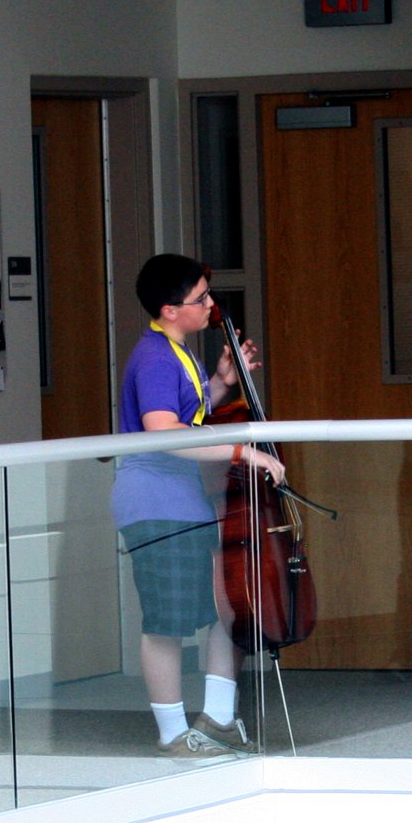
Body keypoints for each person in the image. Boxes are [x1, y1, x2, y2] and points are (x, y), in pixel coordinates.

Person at [113, 254, 285, 758]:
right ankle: (172, 733)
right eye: (201, 298)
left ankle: (219, 719)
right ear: (170, 309)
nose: (211, 304)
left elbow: (186, 415)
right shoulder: (155, 358)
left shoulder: (176, 351)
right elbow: (164, 431)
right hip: (156, 503)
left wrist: (222, 383)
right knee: (166, 621)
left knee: (224, 608)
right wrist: (242, 451)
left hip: (186, 501)